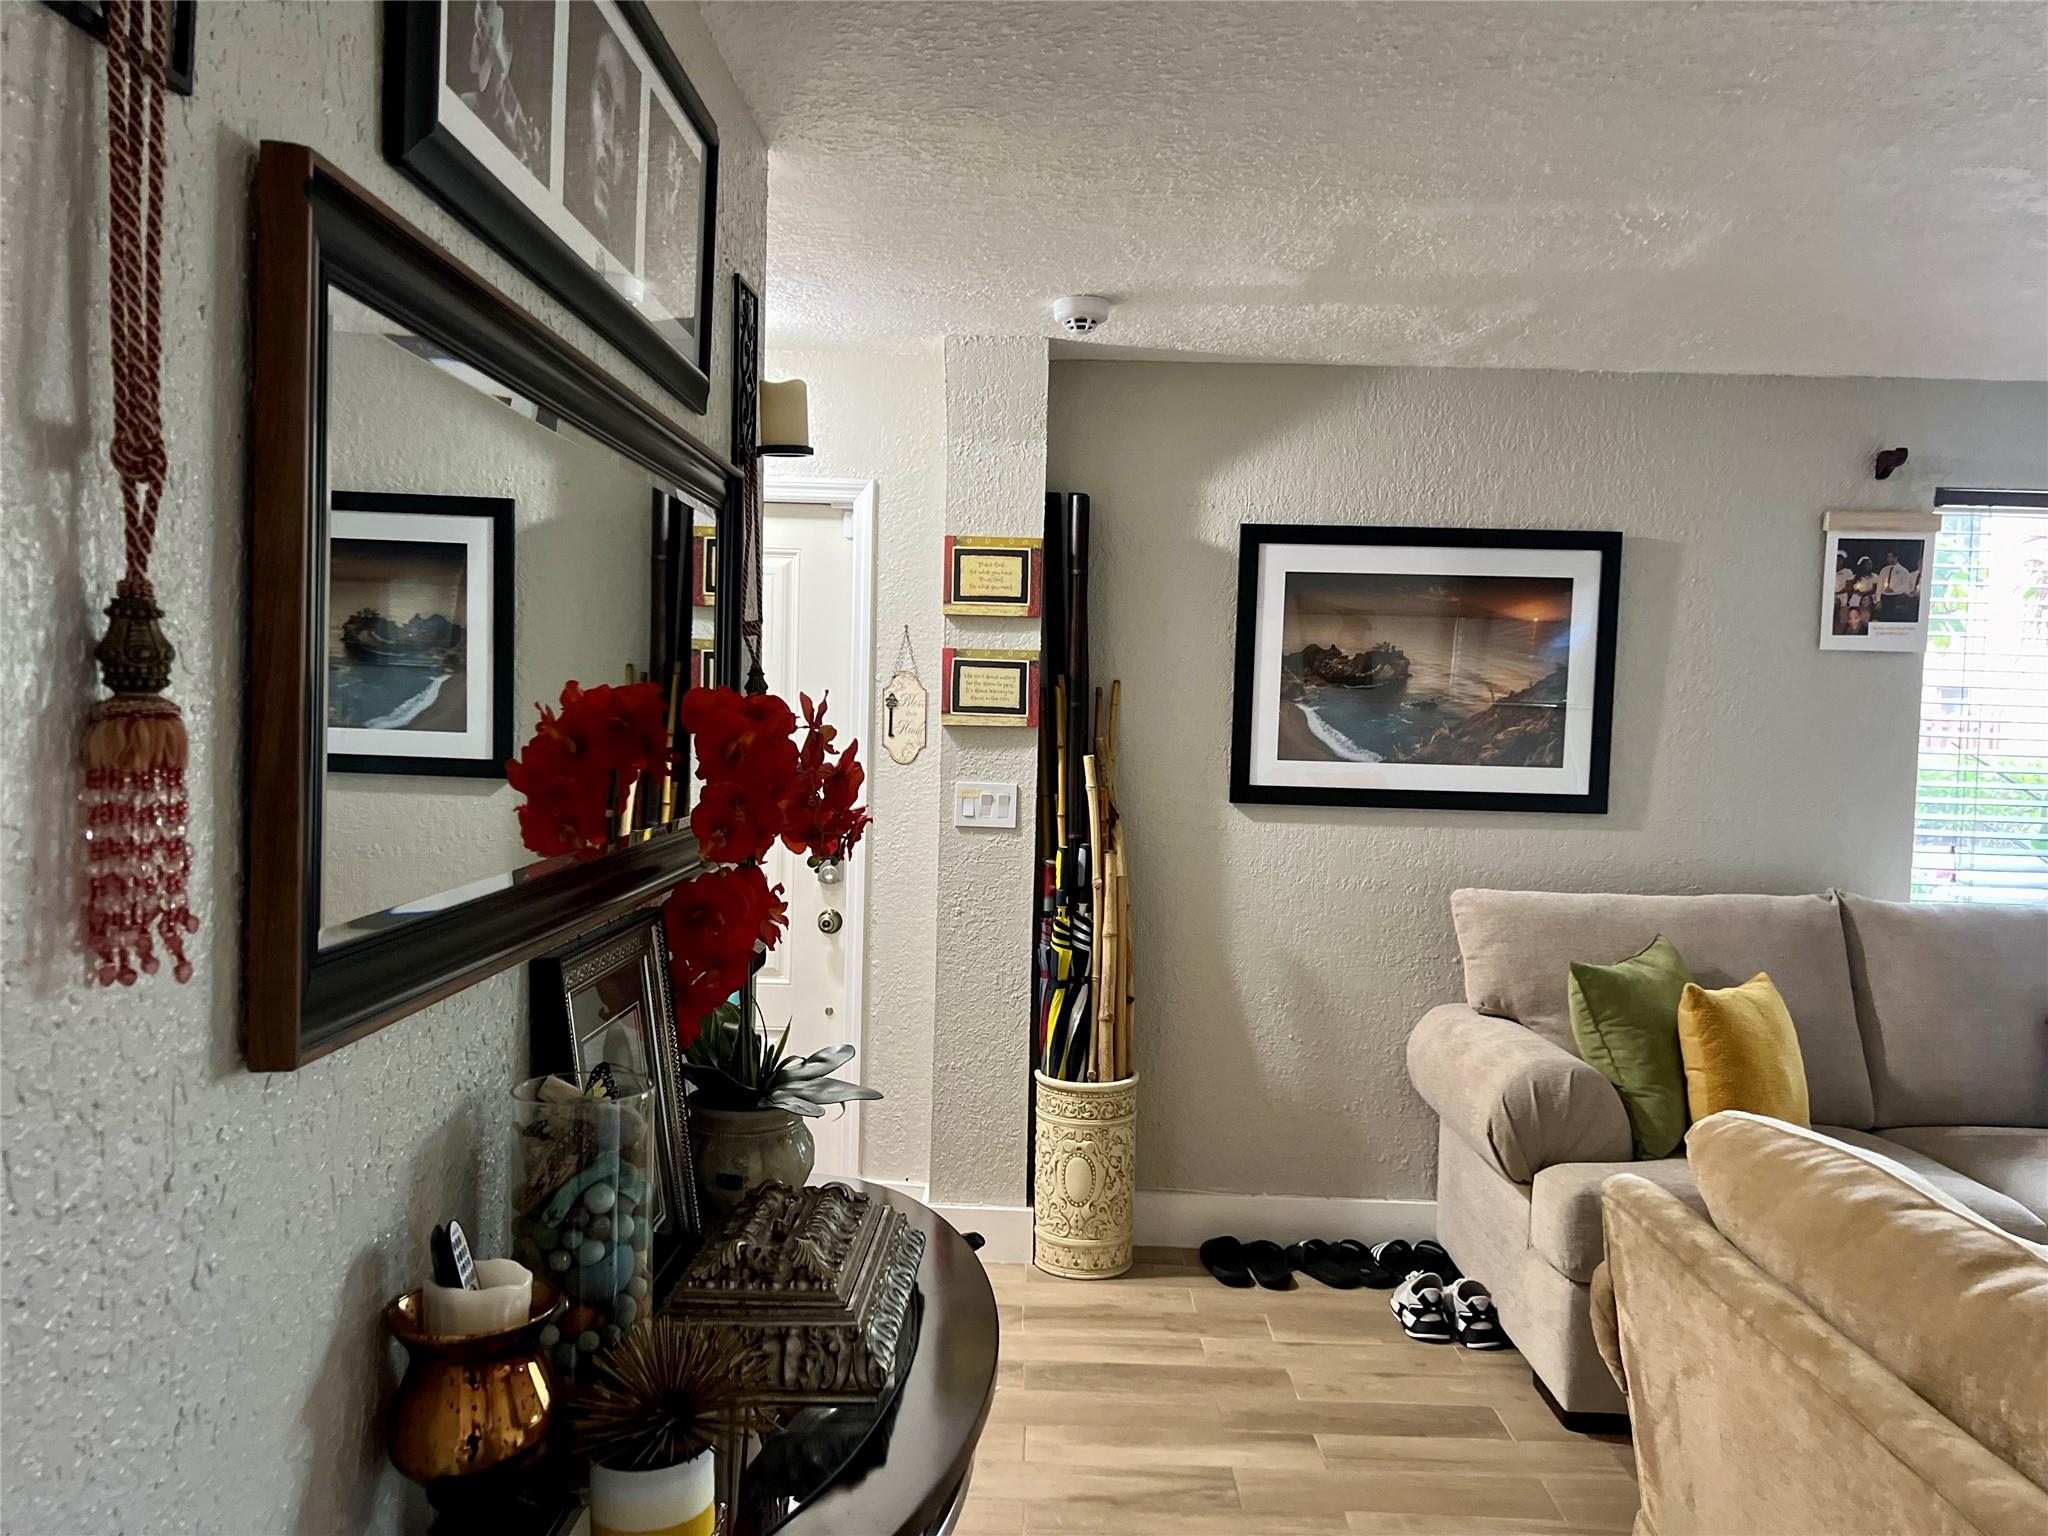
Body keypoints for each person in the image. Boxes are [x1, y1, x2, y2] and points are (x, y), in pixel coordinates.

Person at [1874, 549, 1919, 623]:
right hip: (1884, 597)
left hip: (1896, 598)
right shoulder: (1884, 570)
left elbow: (1905, 586)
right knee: (1883, 618)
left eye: (1890, 557)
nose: (1888, 559)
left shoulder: (1903, 571)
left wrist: (1894, 590)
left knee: (1893, 618)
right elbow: (1879, 586)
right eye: (1888, 557)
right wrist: (1878, 600)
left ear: (1895, 558)